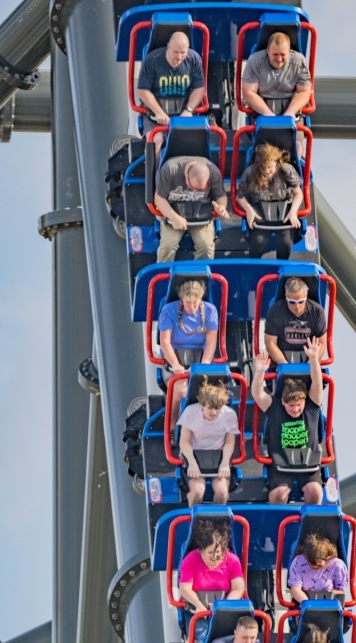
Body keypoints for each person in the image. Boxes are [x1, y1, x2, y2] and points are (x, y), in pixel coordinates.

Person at [252, 338, 324, 505]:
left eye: (299, 405)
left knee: (315, 492)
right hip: (281, 464)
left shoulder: (311, 408)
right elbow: (257, 394)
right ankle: (277, 524)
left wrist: (313, 359)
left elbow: (318, 384)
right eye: (291, 406)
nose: (296, 409)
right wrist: (259, 372)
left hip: (308, 464)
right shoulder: (276, 408)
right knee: (279, 494)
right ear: (283, 402)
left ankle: (310, 525)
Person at [159, 279, 218, 432]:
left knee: (211, 392)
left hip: (199, 359)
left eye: (195, 303)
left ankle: (206, 428)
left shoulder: (210, 311)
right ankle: (171, 427)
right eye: (187, 303)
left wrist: (205, 362)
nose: (191, 308)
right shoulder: (169, 311)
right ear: (182, 300)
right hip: (176, 358)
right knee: (181, 391)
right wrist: (175, 364)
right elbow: (165, 341)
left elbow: (211, 341)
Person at [179, 519, 245, 643]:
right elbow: (185, 588)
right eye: (210, 553)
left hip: (223, 605)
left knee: (233, 640)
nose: (214, 557)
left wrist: (224, 605)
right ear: (202, 549)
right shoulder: (191, 559)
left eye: (219, 554)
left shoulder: (232, 560)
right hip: (196, 606)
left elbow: (238, 587)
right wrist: (199, 605)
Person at [137, 31, 205, 156]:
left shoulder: (194, 59)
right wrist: (159, 112)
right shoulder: (153, 60)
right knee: (155, 142)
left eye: (183, 52)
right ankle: (155, 175)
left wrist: (189, 110)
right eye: (176, 52)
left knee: (196, 143)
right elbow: (142, 90)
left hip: (183, 114)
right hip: (156, 117)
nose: (179, 57)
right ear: (168, 47)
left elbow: (199, 88)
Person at [178, 378, 240, 506]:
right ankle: (193, 515)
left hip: (218, 455)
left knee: (222, 492)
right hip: (195, 454)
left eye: (217, 408)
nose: (214, 412)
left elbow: (229, 442)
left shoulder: (229, 414)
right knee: (197, 492)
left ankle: (216, 521)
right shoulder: (191, 413)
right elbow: (184, 441)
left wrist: (224, 463)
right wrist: (192, 463)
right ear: (202, 405)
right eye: (210, 408)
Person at [154, 157, 227, 264]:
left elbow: (221, 196)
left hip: (201, 217)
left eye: (200, 189)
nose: (194, 191)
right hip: (173, 214)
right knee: (168, 246)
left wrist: (221, 207)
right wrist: (174, 218)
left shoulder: (214, 172)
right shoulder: (170, 170)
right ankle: (163, 276)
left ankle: (200, 277)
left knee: (206, 246)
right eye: (192, 187)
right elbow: (159, 199)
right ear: (187, 177)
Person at [237, 143, 303, 260]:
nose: (267, 171)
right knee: (259, 242)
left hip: (284, 208)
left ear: (276, 163)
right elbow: (240, 196)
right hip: (259, 208)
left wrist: (293, 212)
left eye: (270, 168)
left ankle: (281, 266)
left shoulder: (285, 170)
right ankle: (253, 265)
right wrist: (249, 210)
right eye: (263, 168)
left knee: (286, 243)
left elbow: (298, 193)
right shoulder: (250, 173)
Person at [241, 32, 312, 119]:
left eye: (283, 54)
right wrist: (268, 115)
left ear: (289, 51)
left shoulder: (299, 61)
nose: (279, 59)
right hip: (260, 112)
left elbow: (304, 91)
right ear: (268, 50)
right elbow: (248, 92)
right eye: (275, 54)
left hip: (291, 110)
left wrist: (290, 113)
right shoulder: (255, 61)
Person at [264, 277, 327, 364]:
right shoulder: (275, 311)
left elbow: (322, 343)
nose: (297, 307)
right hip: (282, 360)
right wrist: (285, 366)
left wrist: (311, 363)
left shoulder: (317, 312)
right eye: (292, 302)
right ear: (286, 296)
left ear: (306, 296)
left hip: (309, 359)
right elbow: (270, 343)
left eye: (301, 302)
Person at [288, 533, 348, 603]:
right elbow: (295, 589)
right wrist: (309, 605)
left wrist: (326, 597)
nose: (314, 566)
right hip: (304, 601)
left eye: (318, 564)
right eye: (311, 563)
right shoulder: (299, 562)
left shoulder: (337, 566)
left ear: (327, 559)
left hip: (329, 602)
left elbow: (341, 591)